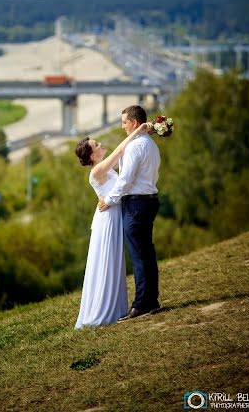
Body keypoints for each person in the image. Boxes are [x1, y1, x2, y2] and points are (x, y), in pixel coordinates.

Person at [74, 121, 153, 329]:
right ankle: (102, 311)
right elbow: (120, 150)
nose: (100, 145)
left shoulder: (105, 169)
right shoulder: (97, 171)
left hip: (113, 216)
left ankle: (115, 308)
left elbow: (126, 166)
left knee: (115, 262)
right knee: (107, 261)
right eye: (97, 145)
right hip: (107, 220)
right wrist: (138, 130)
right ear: (92, 156)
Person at [98, 104, 161, 320]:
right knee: (147, 253)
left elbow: (125, 180)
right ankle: (151, 300)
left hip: (136, 204)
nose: (122, 126)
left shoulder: (135, 147)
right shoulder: (150, 144)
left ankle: (142, 304)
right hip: (149, 201)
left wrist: (108, 200)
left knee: (139, 256)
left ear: (134, 123)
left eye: (124, 122)